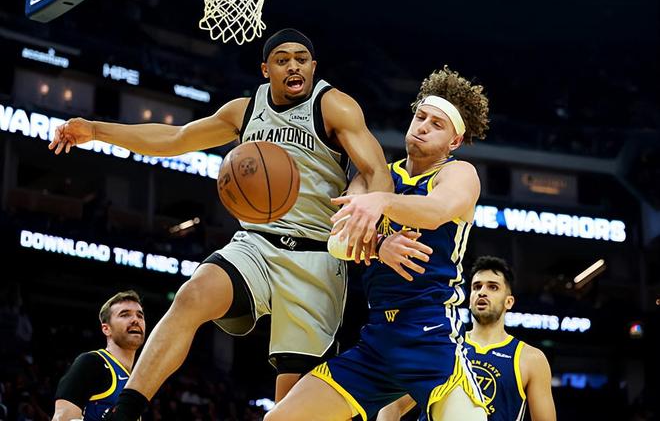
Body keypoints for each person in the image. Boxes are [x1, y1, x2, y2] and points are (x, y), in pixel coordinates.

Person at [48, 28, 392, 420]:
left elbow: (377, 172)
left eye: (301, 59)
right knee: (191, 296)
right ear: (266, 70)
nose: (293, 66)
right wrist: (96, 130)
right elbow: (175, 138)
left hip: (315, 257)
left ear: (313, 66)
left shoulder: (334, 106)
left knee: (291, 407)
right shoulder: (243, 111)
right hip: (256, 244)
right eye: (282, 60)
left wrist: (371, 219)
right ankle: (126, 412)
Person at [264, 66, 491, 421]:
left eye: (437, 124)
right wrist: (380, 245)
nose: (423, 127)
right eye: (421, 117)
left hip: (431, 336)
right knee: (279, 418)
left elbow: (436, 211)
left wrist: (381, 202)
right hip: (378, 339)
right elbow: (338, 241)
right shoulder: (377, 174)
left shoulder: (458, 173)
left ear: (455, 142)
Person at [377, 256, 557, 421]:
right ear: (469, 299)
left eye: (493, 287)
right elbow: (392, 405)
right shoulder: (439, 344)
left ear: (509, 302)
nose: (482, 292)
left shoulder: (531, 359)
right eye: (477, 287)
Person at [52, 291, 146, 421]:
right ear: (106, 329)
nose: (135, 320)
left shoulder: (134, 378)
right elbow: (62, 418)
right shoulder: (91, 363)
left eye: (140, 316)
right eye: (125, 315)